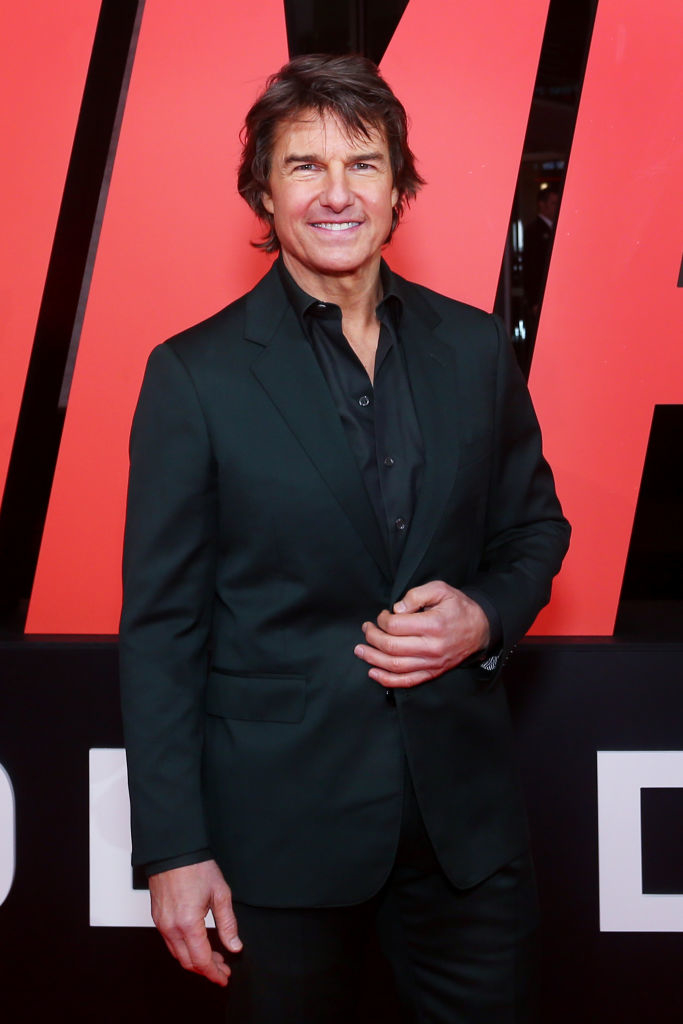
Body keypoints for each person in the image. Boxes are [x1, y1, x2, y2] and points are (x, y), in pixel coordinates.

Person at [119, 54, 570, 1023]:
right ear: (262, 190)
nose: (335, 194)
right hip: (276, 842)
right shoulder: (192, 379)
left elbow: (532, 527)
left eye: (362, 165)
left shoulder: (474, 349)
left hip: (464, 837)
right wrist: (170, 849)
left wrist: (481, 615)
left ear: (398, 187)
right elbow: (161, 634)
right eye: (303, 166)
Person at [520, 184, 560, 375]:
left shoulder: (554, 229)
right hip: (540, 298)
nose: (556, 206)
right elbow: (531, 268)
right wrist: (535, 300)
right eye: (553, 202)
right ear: (541, 205)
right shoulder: (534, 231)